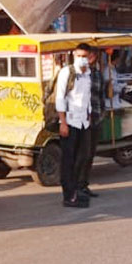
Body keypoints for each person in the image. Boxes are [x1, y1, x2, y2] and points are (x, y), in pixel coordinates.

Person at [55, 43, 94, 208]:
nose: (81, 59)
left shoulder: (88, 75)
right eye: (78, 56)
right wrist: (62, 122)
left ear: (90, 57)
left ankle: (77, 190)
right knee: (68, 161)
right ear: (73, 55)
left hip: (83, 122)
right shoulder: (67, 72)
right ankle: (68, 196)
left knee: (83, 156)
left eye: (84, 56)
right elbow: (60, 98)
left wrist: (89, 115)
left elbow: (87, 97)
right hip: (70, 122)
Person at [74, 47, 104, 201]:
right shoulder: (74, 74)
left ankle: (84, 185)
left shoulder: (97, 74)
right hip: (80, 121)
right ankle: (76, 187)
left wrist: (101, 114)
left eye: (91, 55)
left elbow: (100, 96)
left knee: (90, 155)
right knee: (82, 155)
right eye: (84, 56)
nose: (88, 58)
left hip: (95, 119)